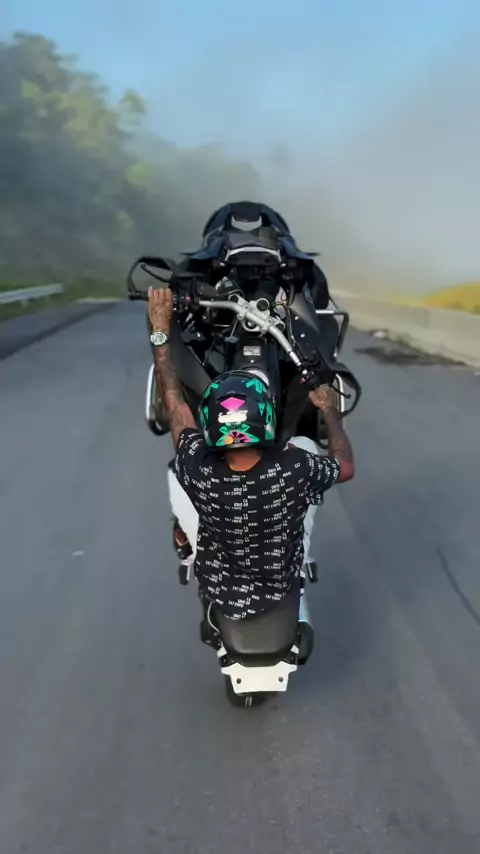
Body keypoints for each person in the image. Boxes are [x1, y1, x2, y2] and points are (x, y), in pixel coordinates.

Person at [148, 286, 355, 623]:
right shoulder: (296, 467)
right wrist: (330, 411)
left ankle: (184, 540)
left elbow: (174, 402)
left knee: (175, 473)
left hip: (221, 591)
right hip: (279, 588)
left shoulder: (198, 466)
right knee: (307, 445)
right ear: (267, 418)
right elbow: (345, 467)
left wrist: (160, 331)